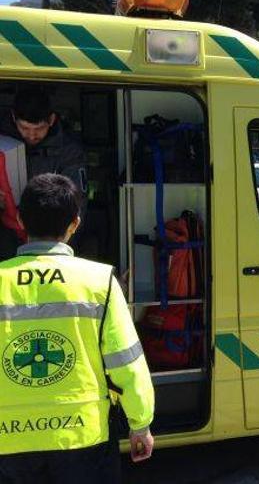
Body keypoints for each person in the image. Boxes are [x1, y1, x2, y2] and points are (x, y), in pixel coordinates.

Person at [0, 174, 154, 483]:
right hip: (83, 436)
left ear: (19, 219)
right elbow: (126, 363)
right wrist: (140, 424)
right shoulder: (99, 282)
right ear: (75, 223)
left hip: (8, 439)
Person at [1, 86, 86, 190]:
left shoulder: (69, 152)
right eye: (24, 128)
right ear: (14, 117)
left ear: (51, 119)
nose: (32, 136)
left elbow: (75, 201)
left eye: (39, 128)